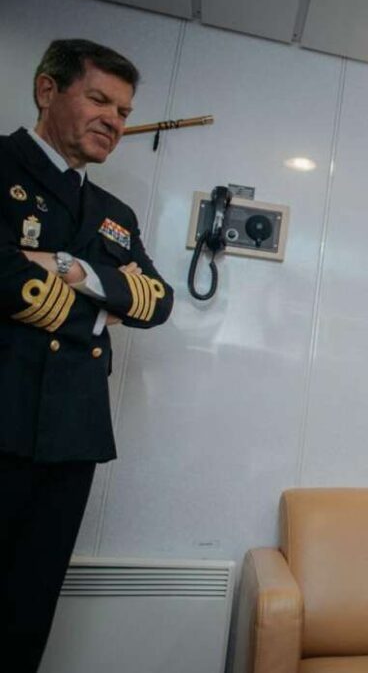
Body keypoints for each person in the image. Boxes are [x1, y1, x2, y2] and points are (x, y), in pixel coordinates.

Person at [0, 39, 173, 671]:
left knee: (27, 613)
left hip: (73, 434)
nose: (114, 121)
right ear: (49, 90)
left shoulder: (113, 214)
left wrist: (67, 266)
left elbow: (157, 302)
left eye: (124, 111)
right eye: (99, 99)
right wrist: (102, 303)